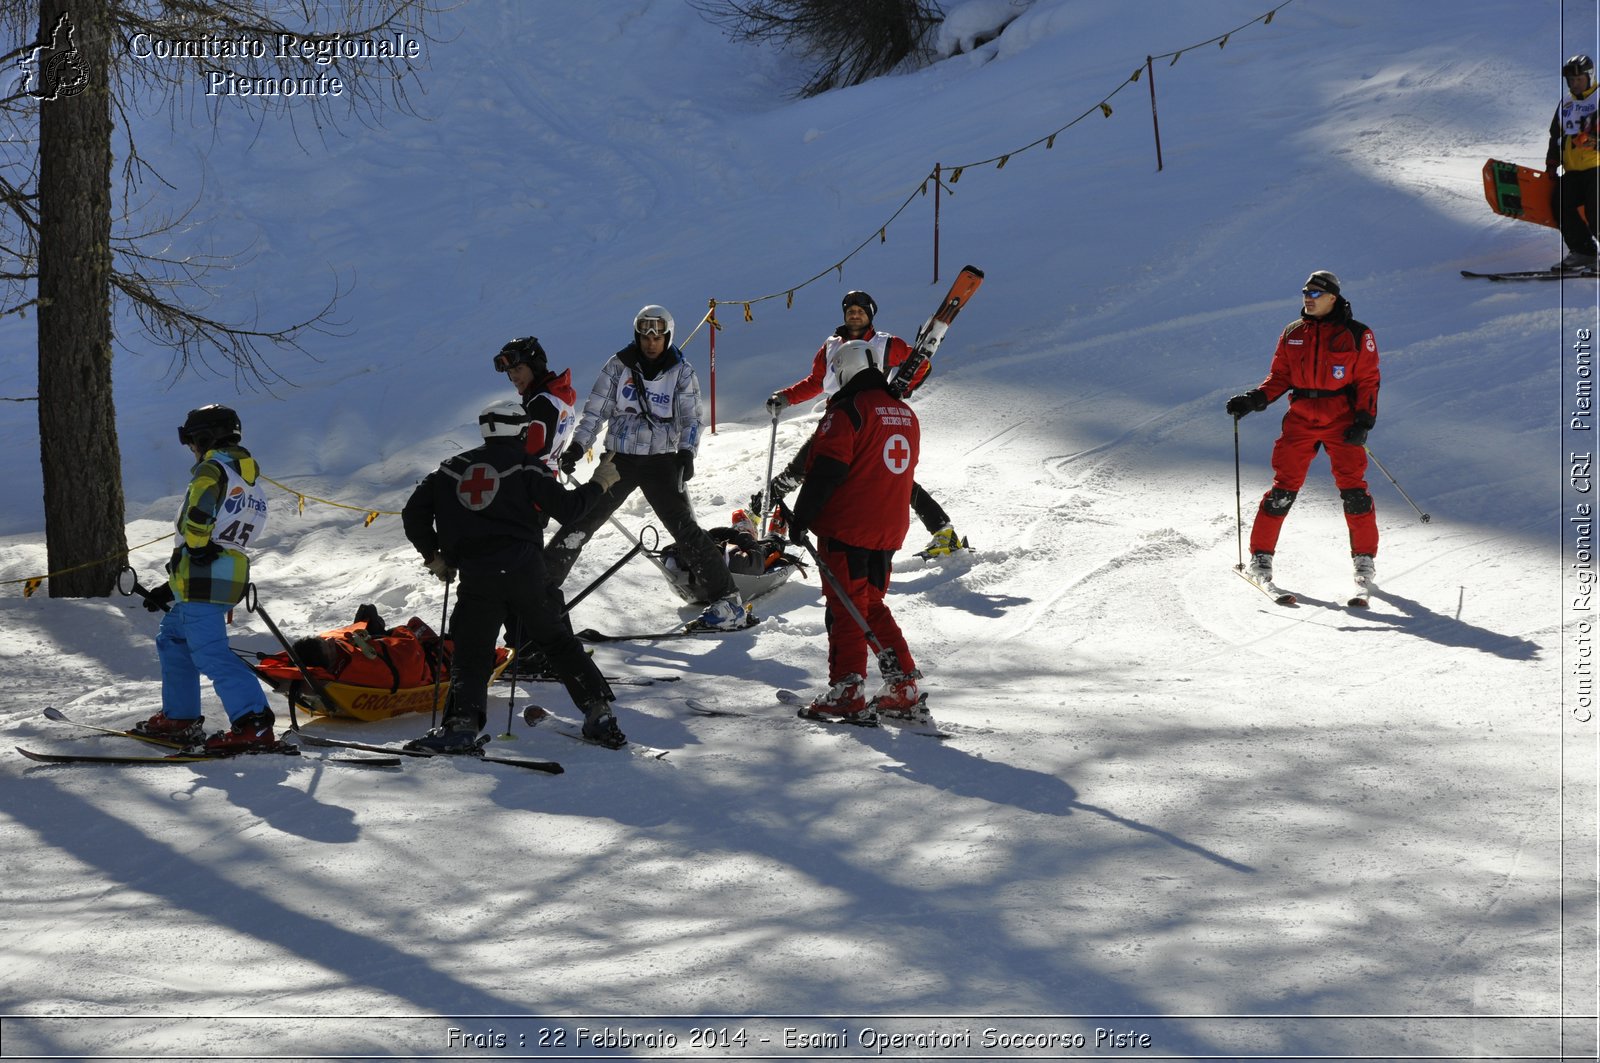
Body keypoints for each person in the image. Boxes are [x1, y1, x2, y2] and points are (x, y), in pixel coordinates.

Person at [401, 399, 629, 749]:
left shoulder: (449, 469)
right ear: (522, 431)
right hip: (526, 572)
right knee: (557, 643)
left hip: (478, 577)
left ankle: (461, 725)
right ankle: (598, 713)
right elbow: (569, 510)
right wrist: (599, 483)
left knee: (472, 653)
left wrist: (434, 556)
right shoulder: (527, 466)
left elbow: (413, 513)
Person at [548, 305, 749, 631]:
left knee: (684, 529)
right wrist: (578, 445)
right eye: (645, 335)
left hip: (662, 460)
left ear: (668, 336)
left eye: (658, 335)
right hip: (619, 459)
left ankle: (728, 602)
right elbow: (595, 411)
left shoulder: (681, 371)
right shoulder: (618, 366)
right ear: (637, 335)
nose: (652, 342)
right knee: (581, 521)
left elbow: (691, 417)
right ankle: (540, 592)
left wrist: (687, 452)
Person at [763, 289, 965, 558]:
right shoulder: (831, 346)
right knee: (806, 467)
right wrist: (786, 397)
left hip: (875, 419)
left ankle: (758, 512)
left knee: (879, 476)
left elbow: (921, 366)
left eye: (860, 310)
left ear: (870, 315)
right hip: (840, 417)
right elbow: (816, 382)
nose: (854, 314)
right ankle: (943, 530)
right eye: (850, 311)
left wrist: (902, 390)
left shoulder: (886, 343)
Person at [787, 339, 924, 721]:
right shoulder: (905, 412)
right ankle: (903, 683)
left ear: (842, 370)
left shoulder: (847, 411)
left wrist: (800, 518)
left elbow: (828, 469)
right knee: (869, 604)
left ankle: (847, 688)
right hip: (889, 528)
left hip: (849, 526)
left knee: (846, 606)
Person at [132, 405, 277, 752]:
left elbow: (199, 516)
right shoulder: (247, 478)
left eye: (192, 443)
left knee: (210, 652)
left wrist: (196, 548)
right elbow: (227, 535)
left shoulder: (211, 470)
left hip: (204, 575)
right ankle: (179, 718)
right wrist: (173, 585)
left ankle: (253, 723)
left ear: (204, 437)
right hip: (220, 576)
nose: (192, 451)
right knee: (174, 639)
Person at [1227, 271, 1381, 589]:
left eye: (1315, 294)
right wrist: (1254, 399)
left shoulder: (1357, 334)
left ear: (1332, 298)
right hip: (1300, 419)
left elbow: (1368, 380)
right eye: (1305, 293)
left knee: (1354, 493)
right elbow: (1280, 376)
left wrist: (1363, 421)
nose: (1308, 299)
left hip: (1341, 419)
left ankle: (1364, 559)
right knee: (1282, 491)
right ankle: (1260, 556)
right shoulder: (1293, 333)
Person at [493, 335, 580, 674]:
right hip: (539, 490)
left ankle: (535, 649)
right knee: (530, 575)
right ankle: (547, 646)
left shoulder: (542, 402)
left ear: (535, 364)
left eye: (518, 367)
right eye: (509, 370)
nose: (513, 375)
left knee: (521, 577)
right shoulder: (552, 395)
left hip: (529, 494)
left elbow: (533, 451)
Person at [1547, 54, 1600, 271]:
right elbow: (1556, 136)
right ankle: (1583, 251)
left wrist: (1595, 142)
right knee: (1559, 205)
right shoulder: (1566, 104)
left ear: (1590, 76)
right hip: (1573, 170)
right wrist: (1552, 162)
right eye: (1571, 80)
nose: (1575, 84)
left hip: (1597, 167)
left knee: (1596, 211)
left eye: (1579, 79)